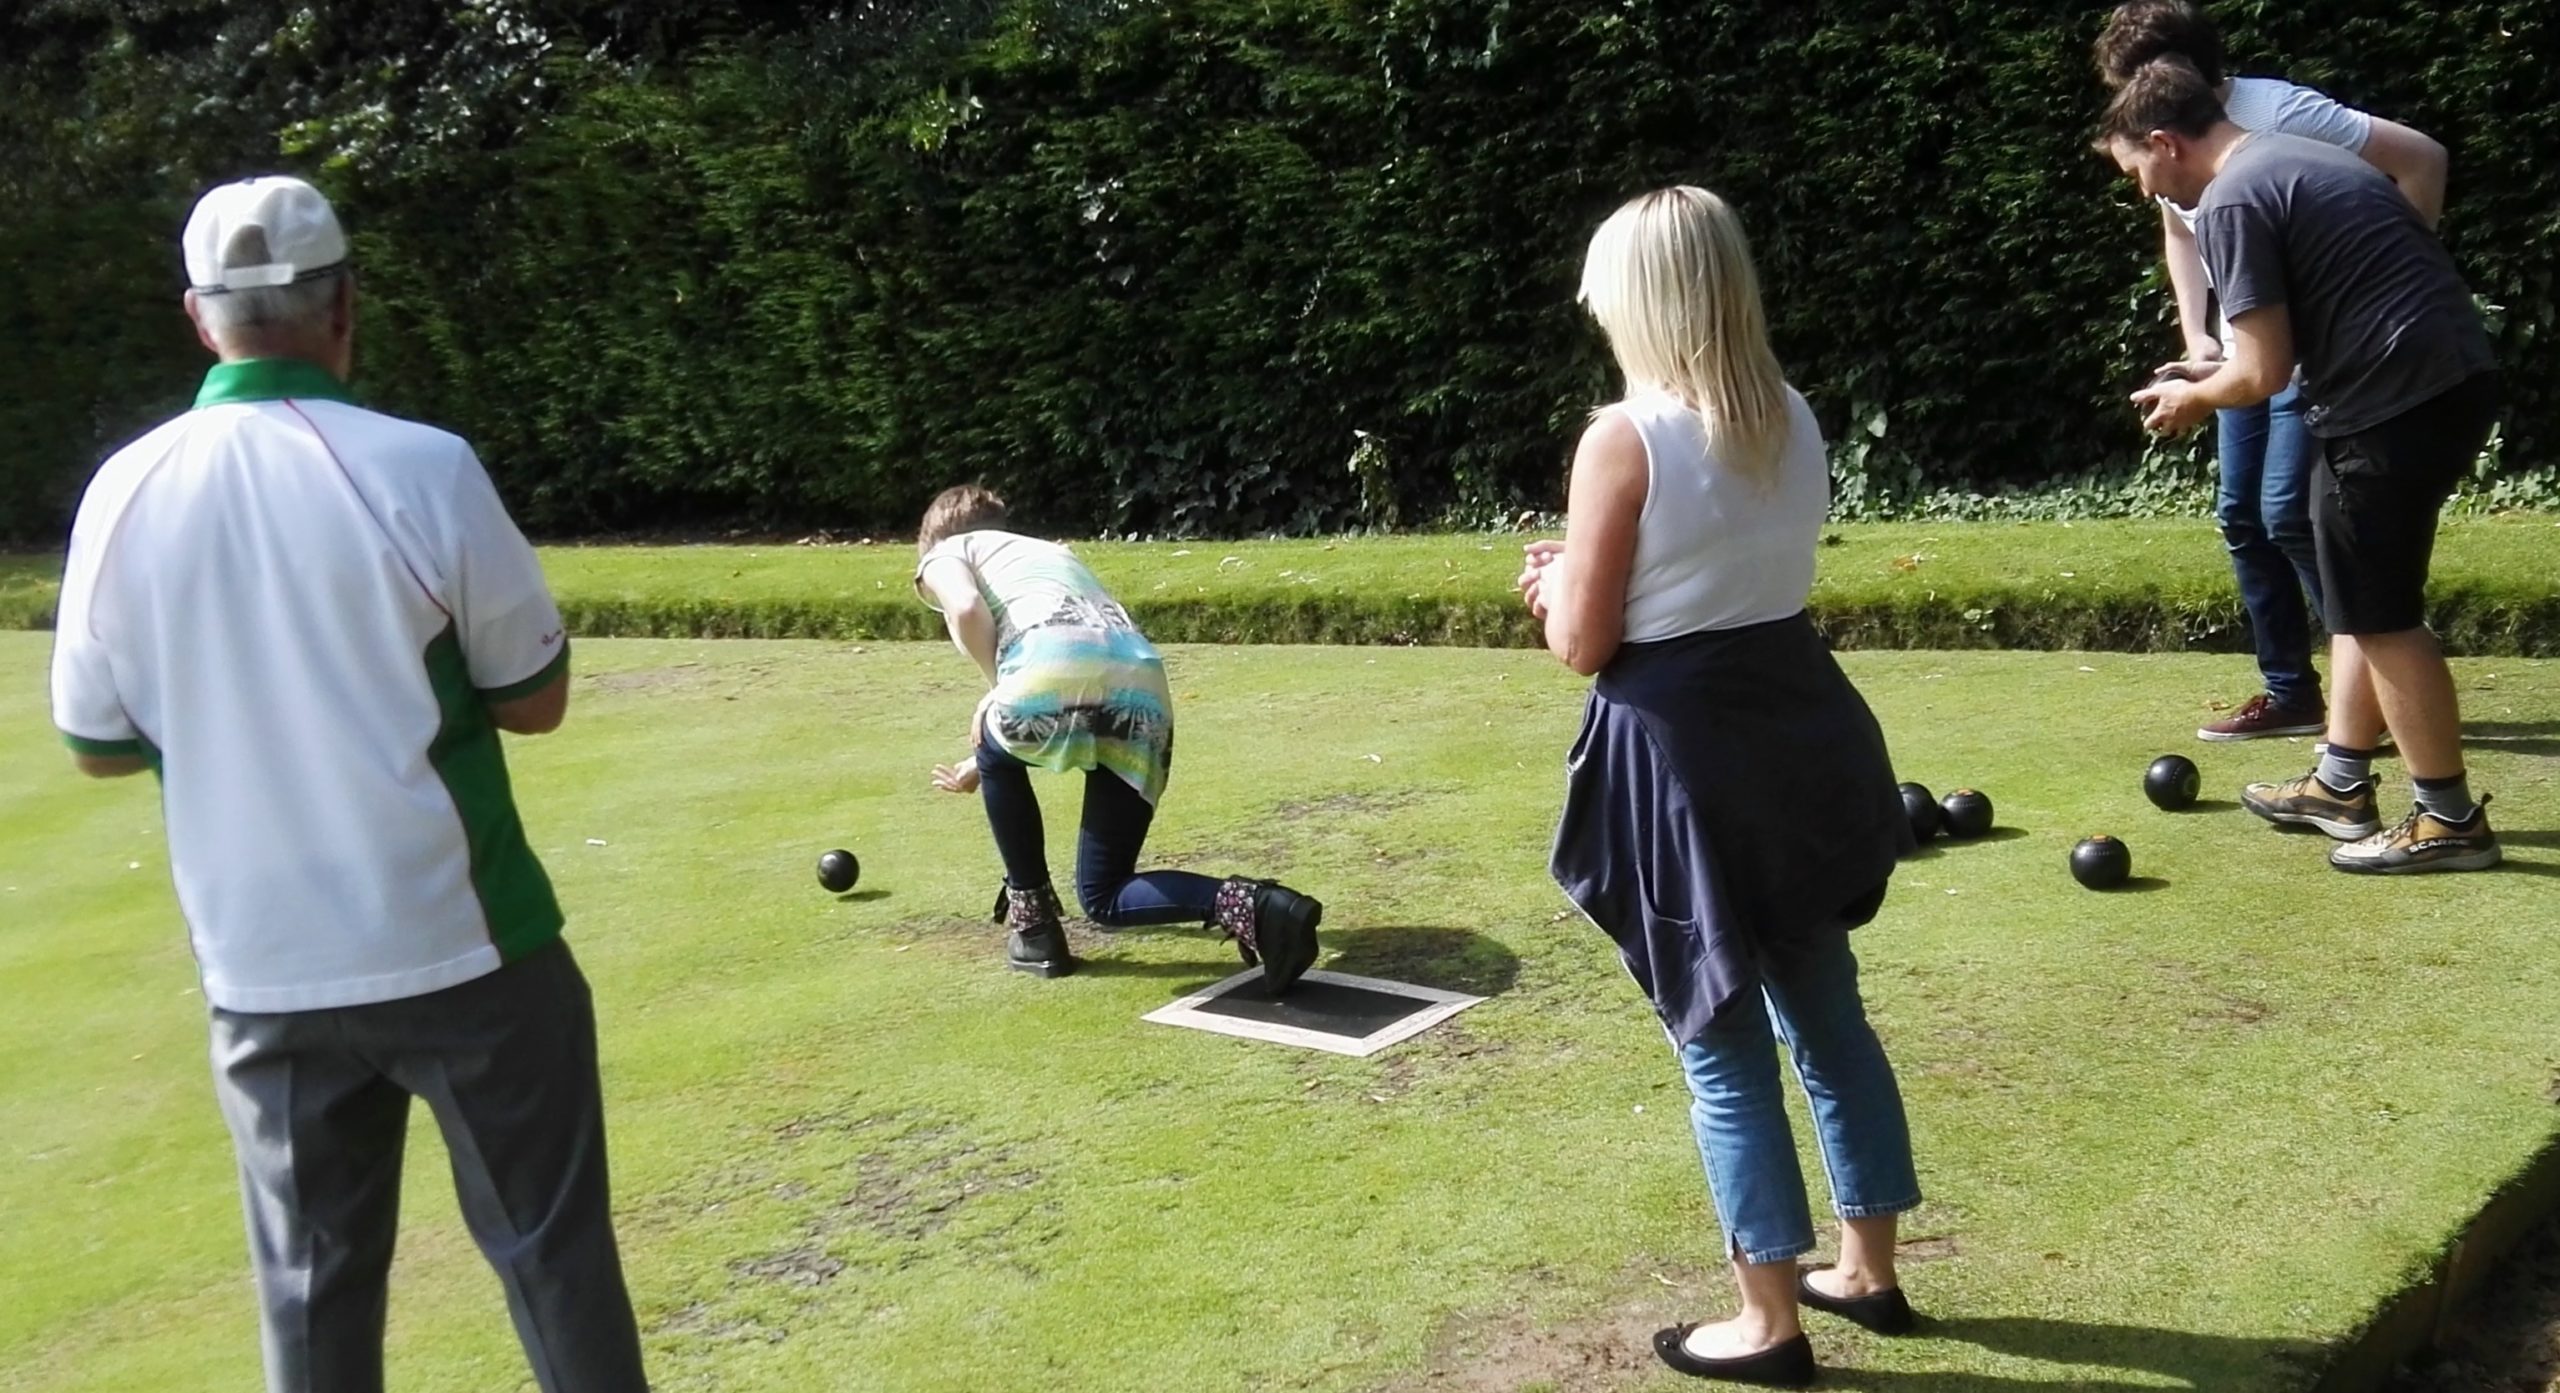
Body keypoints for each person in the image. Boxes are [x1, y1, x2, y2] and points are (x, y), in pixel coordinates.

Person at [48, 176, 649, 1391]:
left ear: (197, 316)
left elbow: (97, 741)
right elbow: (533, 698)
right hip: (465, 941)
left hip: (261, 968)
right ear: (343, 307)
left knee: (313, 1306)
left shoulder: (122, 492)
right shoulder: (420, 469)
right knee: (552, 1261)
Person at [1520, 187, 1921, 1386]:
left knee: (1720, 1039)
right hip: (1798, 722)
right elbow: (1726, 569)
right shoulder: (1790, 414)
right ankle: (1866, 1269)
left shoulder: (1620, 435)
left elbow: (1587, 644)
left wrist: (1547, 591)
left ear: (1635, 302)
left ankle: (1766, 1322)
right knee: (1828, 1016)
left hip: (1683, 754)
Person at [2110, 60, 2503, 874]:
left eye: (2138, 172)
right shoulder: (2291, 154)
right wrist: (2207, 376)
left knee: (2383, 613)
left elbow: (2259, 372)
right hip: (2435, 378)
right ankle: (2340, 782)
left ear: (2163, 141)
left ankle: (2449, 818)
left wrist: (2194, 400)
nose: (2146, 192)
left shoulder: (2229, 197)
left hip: (2396, 398)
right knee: (2356, 590)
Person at [2093, 0, 2449, 742]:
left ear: (2178, 79)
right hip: (2247, 342)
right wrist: (2199, 341)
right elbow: (2178, 227)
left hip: (2313, 351)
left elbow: (2421, 157)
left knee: (2294, 513)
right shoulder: (2190, 161)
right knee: (2244, 516)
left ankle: (2381, 682)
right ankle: (2295, 694)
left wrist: (2380, 286)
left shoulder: (2277, 117)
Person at [914, 485, 1323, 986]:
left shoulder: (946, 551)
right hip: (1142, 686)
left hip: (1050, 675)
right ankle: (1265, 907)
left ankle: (1035, 927)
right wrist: (987, 757)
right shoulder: (1051, 553)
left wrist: (998, 692)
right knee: (1104, 894)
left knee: (993, 738)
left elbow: (967, 611)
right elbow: (1086, 675)